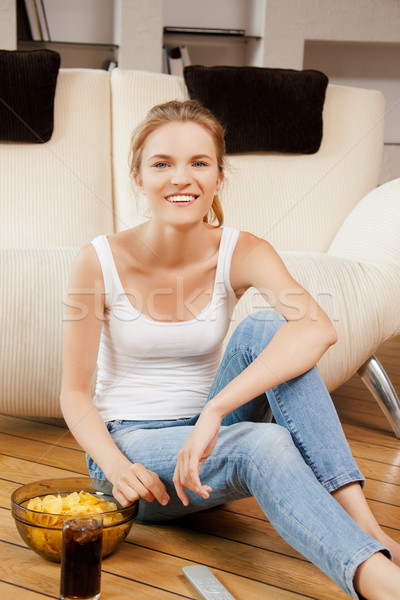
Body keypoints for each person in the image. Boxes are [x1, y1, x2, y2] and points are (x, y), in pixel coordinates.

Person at [60, 99, 400, 600]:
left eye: (199, 163)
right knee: (262, 443)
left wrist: (215, 411)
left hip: (206, 433)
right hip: (134, 453)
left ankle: (367, 530)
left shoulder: (243, 250)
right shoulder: (98, 261)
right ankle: (380, 584)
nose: (182, 178)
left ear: (219, 177)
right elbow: (72, 393)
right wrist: (115, 468)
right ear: (138, 178)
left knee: (269, 326)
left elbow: (317, 330)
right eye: (162, 164)